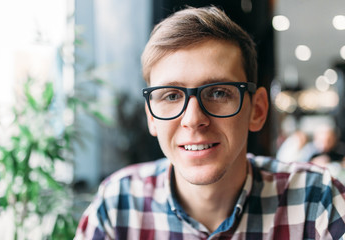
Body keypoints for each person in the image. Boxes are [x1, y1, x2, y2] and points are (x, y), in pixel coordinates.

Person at [74, 6, 345, 239]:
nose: (193, 120)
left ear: (258, 110)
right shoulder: (117, 205)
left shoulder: (315, 199)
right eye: (171, 95)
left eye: (218, 93)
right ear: (151, 116)